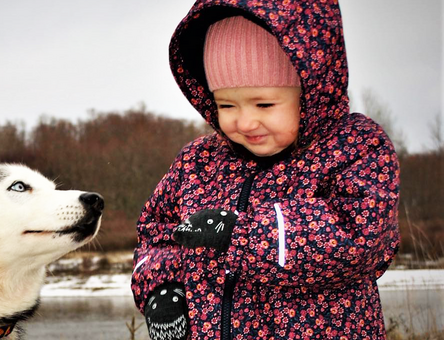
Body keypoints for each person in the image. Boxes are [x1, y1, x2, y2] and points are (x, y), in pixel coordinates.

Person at [130, 1, 400, 339]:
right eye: (226, 104)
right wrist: (162, 291)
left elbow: (359, 239)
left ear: (311, 92)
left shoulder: (355, 148)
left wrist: (242, 233)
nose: (244, 121)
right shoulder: (197, 162)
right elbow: (157, 233)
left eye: (264, 104)